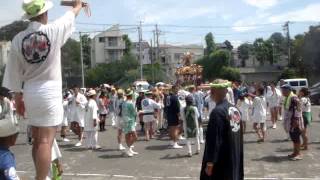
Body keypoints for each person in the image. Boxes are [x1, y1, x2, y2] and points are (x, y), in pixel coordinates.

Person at [2, 0, 84, 178]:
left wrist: (18, 98)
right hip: (49, 92)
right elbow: (71, 15)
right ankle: (41, 178)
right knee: (46, 141)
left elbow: (14, 74)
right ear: (45, 13)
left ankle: (41, 176)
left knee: (38, 140)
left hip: (30, 92)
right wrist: (78, 5)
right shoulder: (53, 30)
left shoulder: (17, 40)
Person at [200, 79, 243, 180]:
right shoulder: (235, 109)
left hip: (222, 161)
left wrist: (210, 163)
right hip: (234, 155)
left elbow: (214, 140)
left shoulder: (217, 112)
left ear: (213, 92)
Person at [281, 84, 304, 160]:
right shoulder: (288, 97)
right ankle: (295, 152)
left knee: (296, 137)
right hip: (291, 121)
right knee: (293, 138)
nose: (282, 92)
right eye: (282, 90)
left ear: (288, 90)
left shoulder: (294, 98)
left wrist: (296, 120)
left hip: (295, 122)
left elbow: (298, 108)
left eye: (284, 90)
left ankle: (298, 154)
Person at [122, 89, 138, 157]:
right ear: (131, 96)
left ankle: (129, 149)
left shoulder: (124, 102)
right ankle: (128, 149)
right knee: (134, 136)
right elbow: (134, 113)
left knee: (128, 135)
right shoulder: (130, 103)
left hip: (125, 120)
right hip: (130, 121)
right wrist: (139, 112)